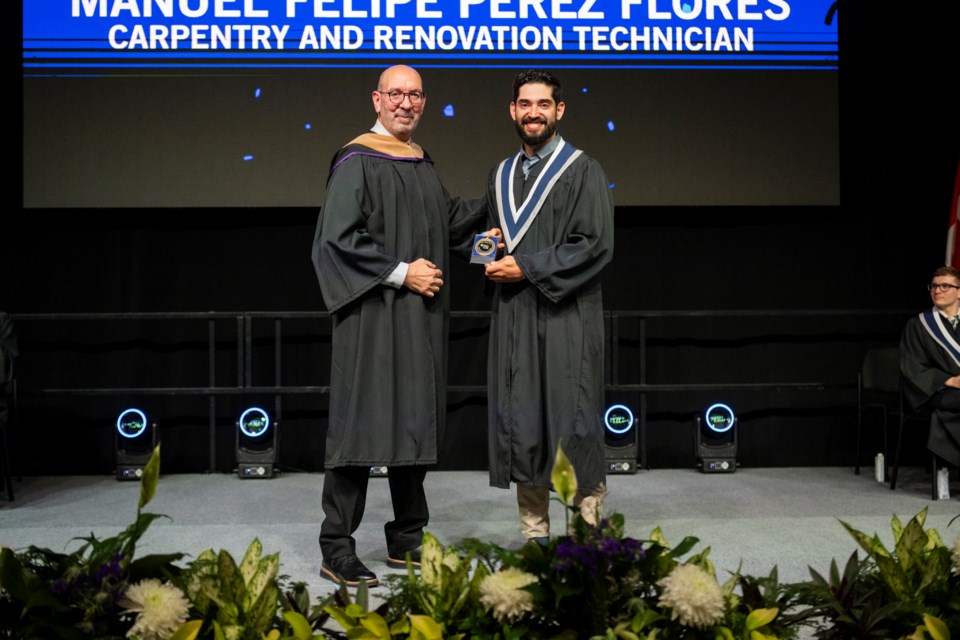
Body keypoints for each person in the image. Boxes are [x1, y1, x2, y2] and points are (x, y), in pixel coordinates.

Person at [311, 65, 485, 587]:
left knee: (414, 420)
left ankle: (407, 540)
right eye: (395, 94)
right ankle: (336, 547)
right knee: (360, 426)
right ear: (377, 99)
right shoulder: (356, 159)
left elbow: (449, 220)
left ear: (423, 102)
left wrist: (505, 201)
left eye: (414, 95)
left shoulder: (422, 162)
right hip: (372, 317)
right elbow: (336, 241)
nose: (405, 103)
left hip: (418, 318)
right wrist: (402, 272)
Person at [483, 70, 615, 543]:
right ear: (513, 110)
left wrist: (527, 268)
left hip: (567, 317)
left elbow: (595, 244)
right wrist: (488, 247)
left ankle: (589, 539)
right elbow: (495, 235)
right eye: (524, 104)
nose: (533, 112)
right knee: (525, 420)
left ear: (559, 110)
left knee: (572, 422)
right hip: (516, 317)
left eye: (543, 104)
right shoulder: (501, 174)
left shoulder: (583, 170)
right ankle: (534, 535)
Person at [900, 265, 960, 468]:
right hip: (935, 391)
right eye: (934, 286)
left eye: (945, 286)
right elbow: (913, 367)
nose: (937, 291)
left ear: (959, 291)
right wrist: (950, 380)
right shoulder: (918, 325)